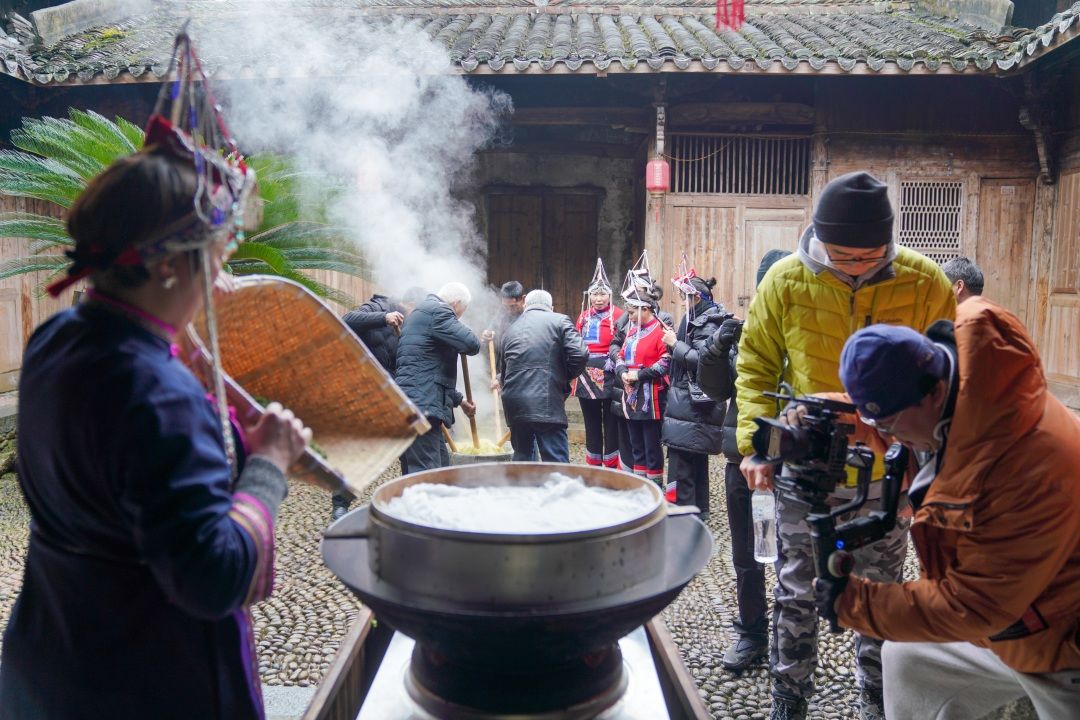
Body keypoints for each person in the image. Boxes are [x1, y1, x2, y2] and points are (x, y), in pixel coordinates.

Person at [0, 141, 311, 718]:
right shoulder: (160, 394)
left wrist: (181, 330)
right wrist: (269, 463)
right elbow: (213, 577)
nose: (223, 277)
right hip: (147, 677)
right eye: (217, 254)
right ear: (167, 264)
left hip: (53, 653)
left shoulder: (57, 339)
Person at [736, 171, 956, 720]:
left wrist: (928, 469)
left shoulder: (925, 281)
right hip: (806, 466)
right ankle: (789, 698)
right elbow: (756, 366)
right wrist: (755, 446)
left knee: (883, 588)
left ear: (889, 241)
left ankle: (879, 699)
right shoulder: (785, 281)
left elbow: (952, 380)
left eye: (869, 257)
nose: (855, 268)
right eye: (842, 257)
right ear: (818, 237)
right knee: (797, 591)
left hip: (890, 469)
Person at [813, 301, 1080, 719]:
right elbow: (898, 419)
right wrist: (812, 417)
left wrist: (852, 603)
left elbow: (973, 605)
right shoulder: (966, 389)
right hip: (1010, 619)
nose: (886, 436)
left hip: (1061, 637)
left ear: (935, 392)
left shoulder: (1026, 464)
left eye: (889, 424)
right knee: (908, 659)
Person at [697, 249, 790, 671]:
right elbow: (717, 392)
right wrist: (716, 351)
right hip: (743, 463)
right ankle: (751, 633)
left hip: (791, 464)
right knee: (747, 557)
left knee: (792, 557)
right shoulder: (746, 333)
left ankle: (792, 640)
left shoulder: (804, 332)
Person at [331, 286, 426, 520]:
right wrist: (384, 318)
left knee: (407, 448)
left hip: (396, 396)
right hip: (367, 394)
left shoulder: (410, 327)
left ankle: (410, 501)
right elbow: (347, 320)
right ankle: (340, 504)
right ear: (409, 305)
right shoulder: (379, 307)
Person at [660, 272, 731, 516]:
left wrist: (673, 343)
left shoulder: (708, 322)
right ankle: (698, 513)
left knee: (683, 465)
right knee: (694, 460)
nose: (683, 302)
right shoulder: (701, 318)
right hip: (691, 404)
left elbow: (702, 361)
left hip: (692, 404)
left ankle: (683, 516)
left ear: (697, 298)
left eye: (686, 297)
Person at [395, 282, 480, 473]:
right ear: (456, 303)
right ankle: (420, 503)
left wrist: (460, 401)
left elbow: (427, 368)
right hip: (421, 405)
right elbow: (472, 344)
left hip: (412, 402)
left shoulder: (420, 313)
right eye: (461, 312)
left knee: (439, 467)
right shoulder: (439, 312)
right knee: (427, 472)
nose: (458, 317)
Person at [499, 290, 588, 462]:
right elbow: (580, 354)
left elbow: (503, 372)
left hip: (514, 403)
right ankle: (558, 488)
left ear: (526, 306)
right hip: (545, 400)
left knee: (523, 460)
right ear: (551, 308)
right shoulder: (559, 320)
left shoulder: (510, 330)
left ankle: (524, 488)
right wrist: (563, 377)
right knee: (556, 464)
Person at [615, 291, 671, 488]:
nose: (629, 317)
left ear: (645, 309)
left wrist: (639, 375)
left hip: (652, 398)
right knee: (636, 444)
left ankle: (654, 488)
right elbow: (620, 355)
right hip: (631, 396)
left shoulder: (661, 332)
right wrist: (622, 372)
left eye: (631, 313)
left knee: (652, 447)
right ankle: (640, 487)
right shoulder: (633, 331)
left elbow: (666, 362)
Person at [572, 260, 624, 468]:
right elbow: (575, 342)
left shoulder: (620, 316)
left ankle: (612, 464)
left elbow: (623, 343)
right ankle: (593, 463)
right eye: (595, 294)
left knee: (611, 421)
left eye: (603, 294)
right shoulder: (583, 317)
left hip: (610, 372)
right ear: (589, 296)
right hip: (586, 374)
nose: (599, 298)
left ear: (609, 296)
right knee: (591, 420)